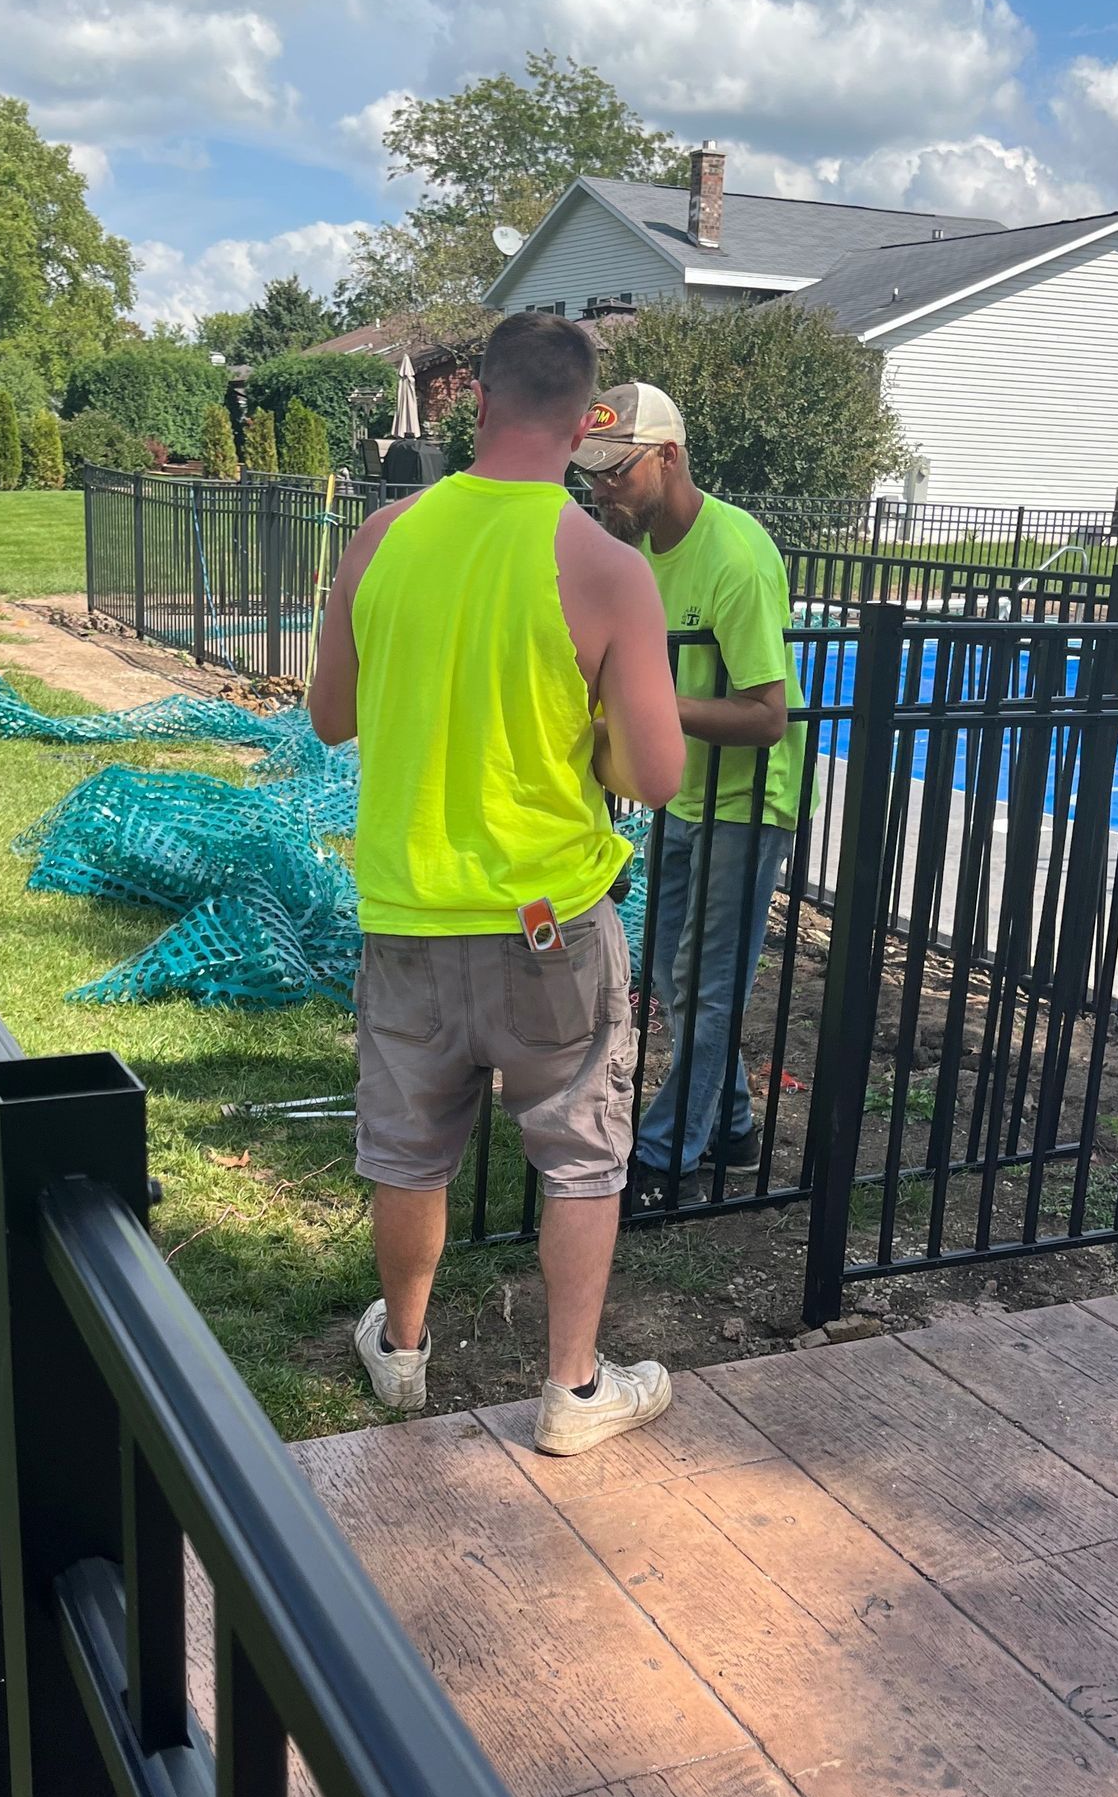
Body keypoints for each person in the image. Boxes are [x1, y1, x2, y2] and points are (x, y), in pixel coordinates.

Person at [307, 314, 686, 1455]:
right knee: (579, 1151)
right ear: (582, 428)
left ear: (477, 406)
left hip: (410, 915)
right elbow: (657, 773)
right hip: (552, 923)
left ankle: (404, 1350)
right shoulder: (609, 568)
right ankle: (572, 1392)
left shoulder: (382, 539)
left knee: (409, 1148)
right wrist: (595, 740)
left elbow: (331, 718)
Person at [574, 383, 804, 1204]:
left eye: (614, 473)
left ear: (667, 456)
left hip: (745, 802)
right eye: (590, 475)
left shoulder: (735, 558)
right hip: (680, 791)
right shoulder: (632, 551)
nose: (600, 491)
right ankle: (734, 1127)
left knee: (709, 989)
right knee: (673, 973)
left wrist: (648, 704)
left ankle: (671, 1157)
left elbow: (767, 715)